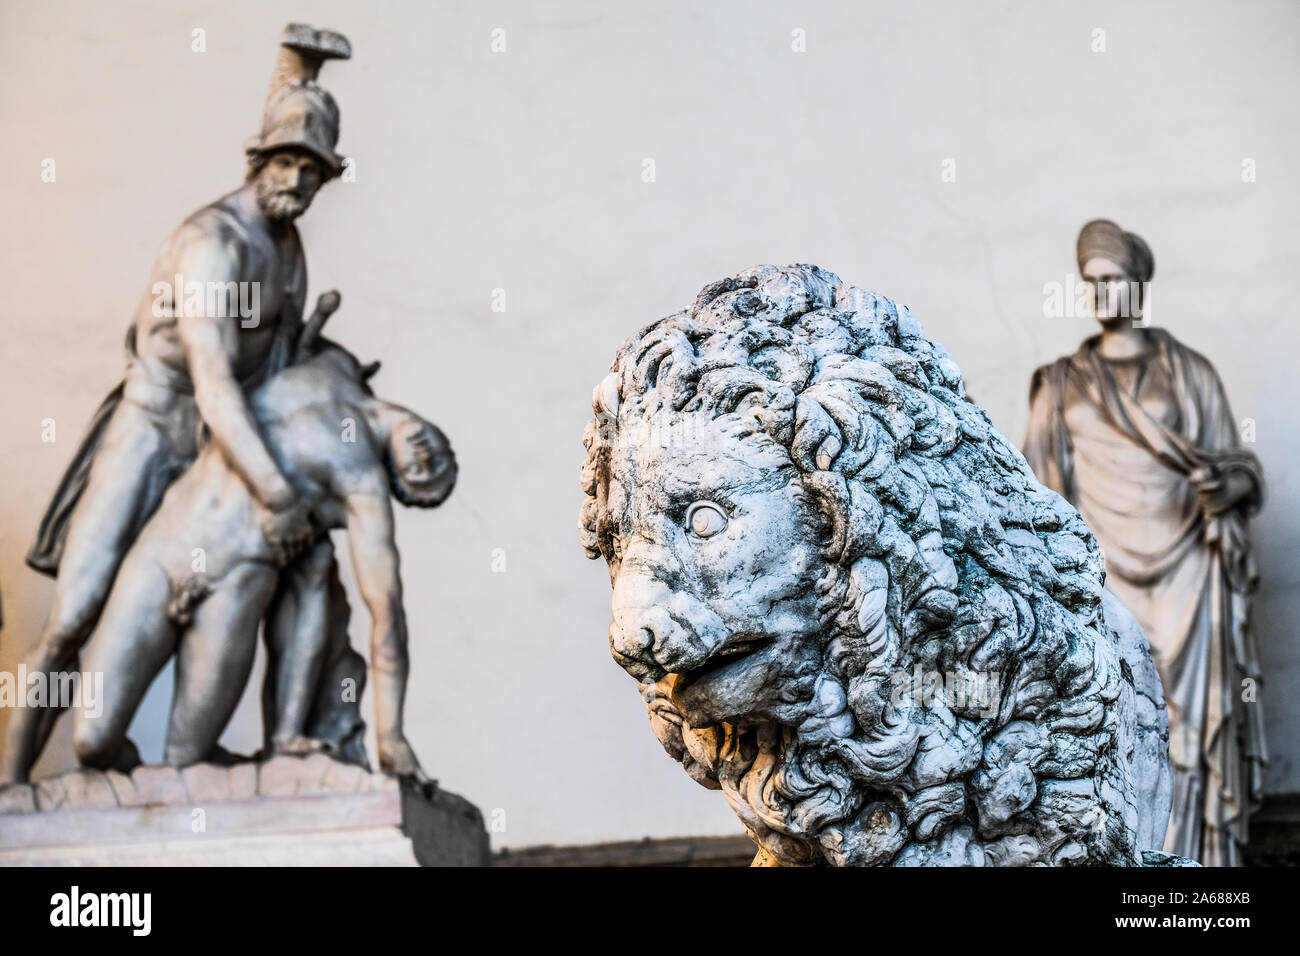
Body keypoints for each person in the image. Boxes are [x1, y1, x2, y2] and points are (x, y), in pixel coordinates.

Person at [2, 25, 352, 783]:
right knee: (73, 616)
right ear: (258, 163)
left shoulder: (286, 248)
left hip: (217, 447)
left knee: (302, 562)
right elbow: (217, 382)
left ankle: (288, 742)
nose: (298, 183)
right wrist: (276, 491)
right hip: (155, 430)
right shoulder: (212, 244)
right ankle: (8, 784)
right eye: (287, 164)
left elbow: (271, 365)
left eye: (313, 173)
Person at [71, 346, 455, 780]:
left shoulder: (362, 488)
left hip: (231, 588)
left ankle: (161, 797)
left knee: (183, 764)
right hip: (165, 548)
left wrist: (392, 737)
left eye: (424, 476)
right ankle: (132, 794)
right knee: (91, 741)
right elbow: (258, 338)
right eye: (441, 459)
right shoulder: (335, 365)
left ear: (394, 482)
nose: (427, 460)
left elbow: (386, 615)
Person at [1024, 218, 1267, 865]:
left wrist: (1229, 482)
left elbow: (1238, 463)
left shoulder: (1187, 372)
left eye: (1114, 280)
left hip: (1188, 570)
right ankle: (1127, 862)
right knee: (1116, 716)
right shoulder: (1062, 382)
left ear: (1137, 285)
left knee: (1193, 722)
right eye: (1091, 282)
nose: (1102, 293)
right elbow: (1037, 496)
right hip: (1103, 582)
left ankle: (1198, 872)